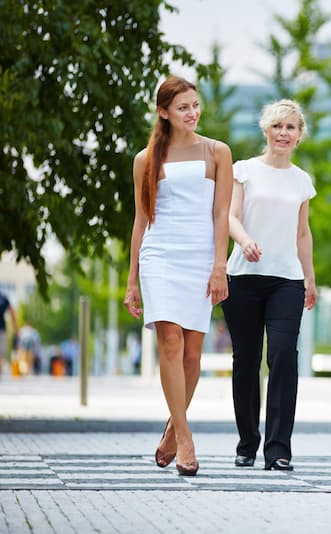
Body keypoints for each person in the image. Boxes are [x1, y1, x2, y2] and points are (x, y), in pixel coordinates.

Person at [124, 75, 233, 477]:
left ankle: (172, 427)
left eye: (195, 105)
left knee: (192, 355)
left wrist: (219, 265)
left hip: (200, 258)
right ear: (164, 112)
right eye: (183, 107)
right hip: (160, 256)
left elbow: (221, 214)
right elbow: (141, 220)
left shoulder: (217, 152)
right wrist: (132, 278)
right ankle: (186, 439)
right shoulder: (146, 159)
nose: (192, 113)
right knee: (169, 341)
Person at [221, 99, 317, 472]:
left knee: (282, 357)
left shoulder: (301, 180)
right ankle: (247, 442)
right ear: (266, 131)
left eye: (290, 127)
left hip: (287, 281)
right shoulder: (244, 170)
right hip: (243, 277)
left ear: (299, 135)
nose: (283, 133)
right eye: (277, 126)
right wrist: (244, 240)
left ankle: (278, 449)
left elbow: (303, 233)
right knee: (246, 361)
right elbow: (229, 215)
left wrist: (310, 278)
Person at [0, 291, 19, 376]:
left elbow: (12, 313)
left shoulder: (4, 298)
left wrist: (16, 328)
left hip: (2, 329)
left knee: (1, 352)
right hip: (2, 328)